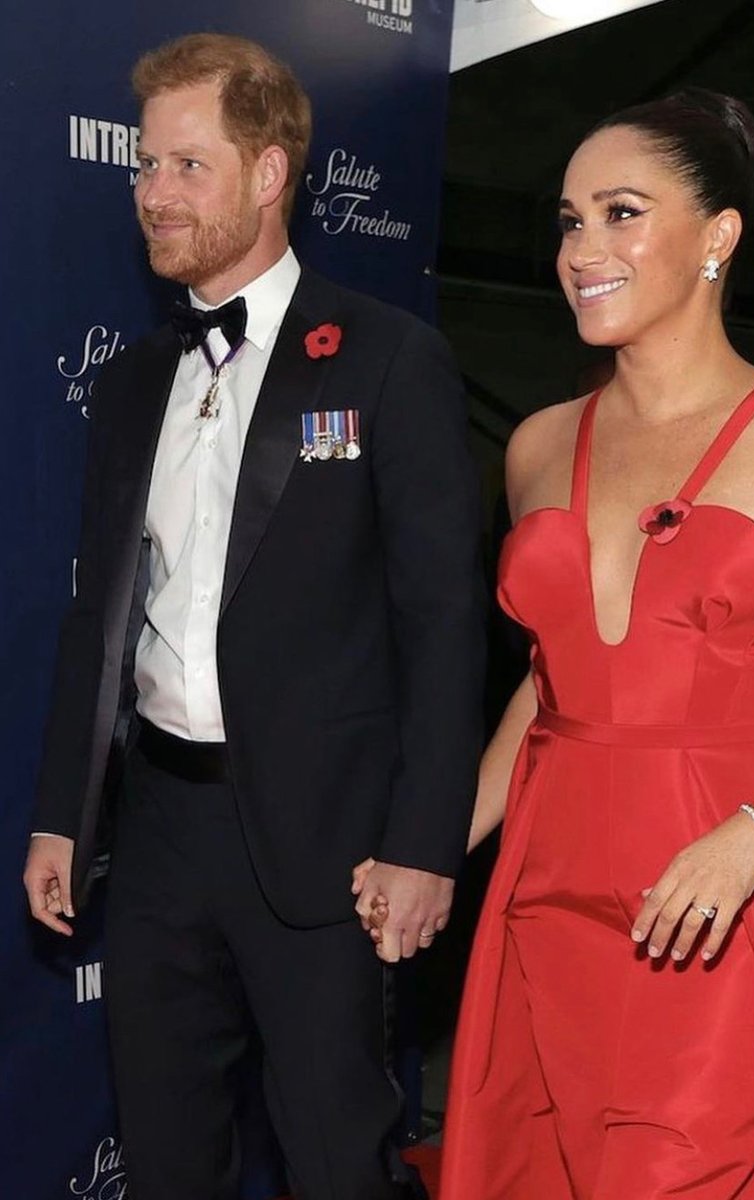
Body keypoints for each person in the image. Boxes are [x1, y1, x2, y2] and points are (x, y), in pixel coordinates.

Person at [362, 89, 754, 1197]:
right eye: (567, 220)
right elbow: (549, 689)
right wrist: (430, 845)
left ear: (717, 237)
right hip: (552, 887)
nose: (582, 248)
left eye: (621, 212)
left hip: (732, 896)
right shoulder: (539, 444)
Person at [22, 33, 483, 1200]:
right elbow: (100, 618)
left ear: (268, 175)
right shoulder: (132, 382)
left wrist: (426, 844)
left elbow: (441, 626)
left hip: (330, 848)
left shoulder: (388, 361)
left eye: (185, 167)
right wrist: (62, 817)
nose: (150, 195)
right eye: (142, 167)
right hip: (164, 835)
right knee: (170, 1155)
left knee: (336, 1162)